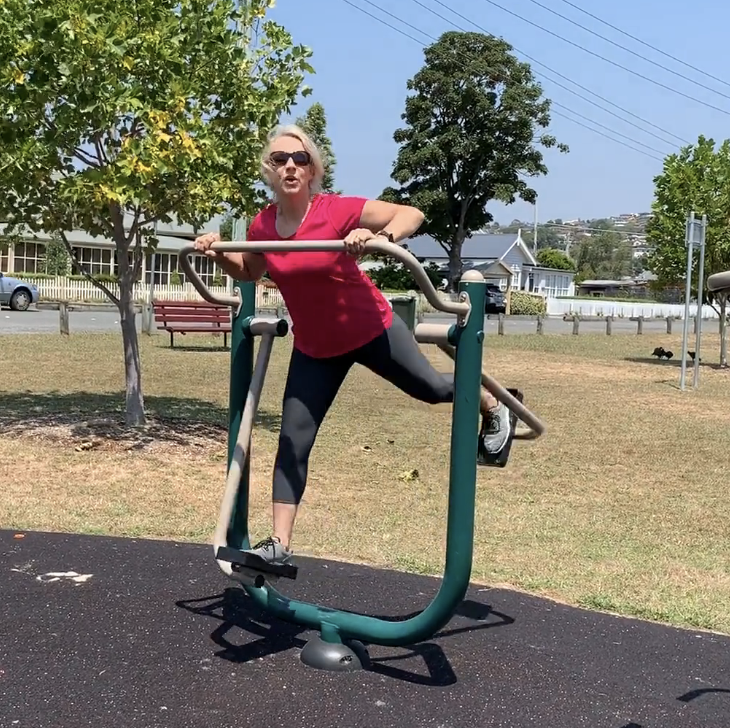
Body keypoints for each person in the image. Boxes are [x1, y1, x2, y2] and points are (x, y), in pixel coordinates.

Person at [194, 124, 511, 567]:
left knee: (433, 389)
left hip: (371, 328)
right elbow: (249, 270)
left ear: (312, 171)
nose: (290, 165)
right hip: (315, 349)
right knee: (292, 441)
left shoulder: (334, 210)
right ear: (269, 169)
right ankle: (280, 546)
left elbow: (411, 214)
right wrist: (216, 252)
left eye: (300, 159)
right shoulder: (263, 223)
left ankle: (494, 404)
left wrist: (379, 239)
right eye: (281, 159)